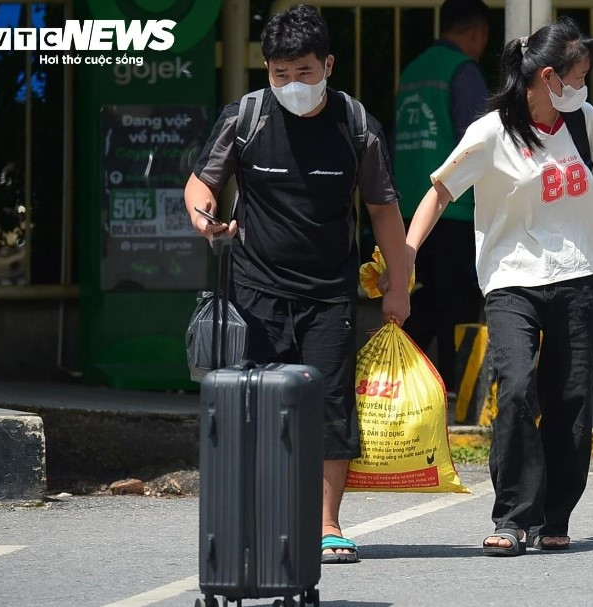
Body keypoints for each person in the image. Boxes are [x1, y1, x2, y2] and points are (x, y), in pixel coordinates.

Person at [402, 18, 593, 556]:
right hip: (512, 279)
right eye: (580, 76)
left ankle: (553, 515)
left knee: (570, 397)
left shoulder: (582, 119)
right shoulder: (491, 130)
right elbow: (439, 192)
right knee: (514, 387)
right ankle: (512, 515)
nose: (585, 87)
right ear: (549, 76)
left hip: (577, 272)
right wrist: (407, 253)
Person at [183, 4, 410, 564]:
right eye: (279, 74)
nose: (292, 85)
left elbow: (384, 211)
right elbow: (200, 184)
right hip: (254, 290)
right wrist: (206, 216)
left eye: (304, 73)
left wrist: (398, 287)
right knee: (254, 405)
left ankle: (328, 524)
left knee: (331, 406)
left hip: (330, 293)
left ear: (328, 65)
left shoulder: (356, 125)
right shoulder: (247, 117)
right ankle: (258, 515)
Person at [393, 0, 490, 391]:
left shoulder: (413, 70)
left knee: (423, 297)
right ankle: (454, 385)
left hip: (407, 208)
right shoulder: (463, 72)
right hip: (454, 207)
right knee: (456, 303)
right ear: (477, 33)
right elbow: (478, 140)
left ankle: (400, 372)